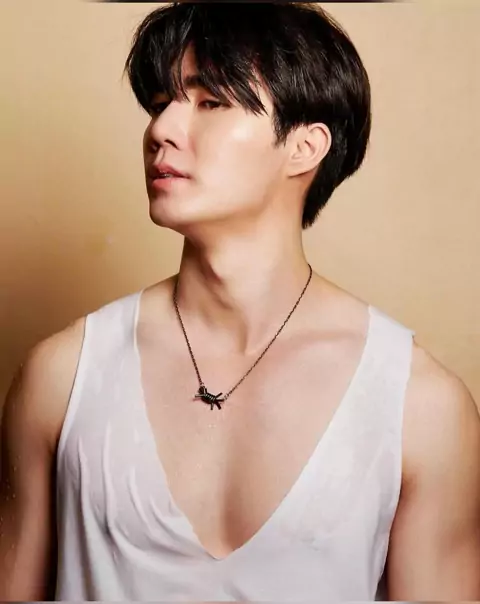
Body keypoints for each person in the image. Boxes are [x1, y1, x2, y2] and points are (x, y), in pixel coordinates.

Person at [1, 2, 479, 601]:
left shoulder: (420, 408)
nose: (161, 129)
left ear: (305, 147)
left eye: (210, 102)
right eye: (160, 103)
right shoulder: (61, 377)